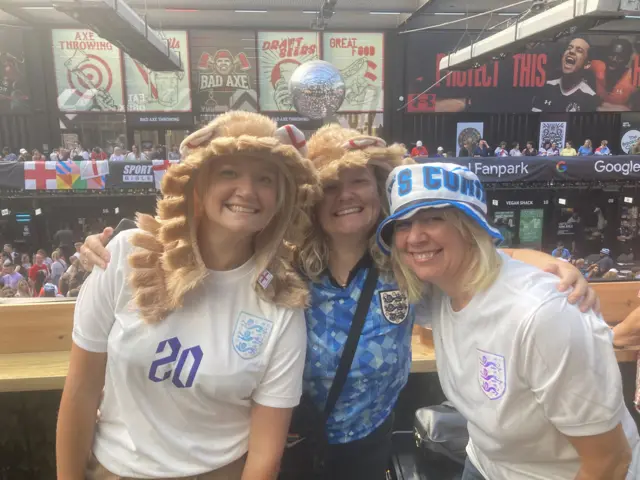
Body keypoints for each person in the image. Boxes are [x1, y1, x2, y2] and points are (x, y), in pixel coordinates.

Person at [79, 127, 598, 480]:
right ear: (309, 197)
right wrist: (121, 240)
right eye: (330, 185)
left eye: (360, 182)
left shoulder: (408, 265)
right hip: (284, 441)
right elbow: (205, 244)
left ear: (379, 193)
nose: (346, 195)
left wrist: (543, 260)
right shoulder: (281, 263)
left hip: (366, 444)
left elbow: (471, 253)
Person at [56, 111, 321, 479]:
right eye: (229, 172)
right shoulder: (126, 255)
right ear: (199, 183)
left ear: (280, 198)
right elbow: (81, 392)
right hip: (115, 470)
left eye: (264, 178)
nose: (247, 190)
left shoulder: (281, 303)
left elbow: (264, 456)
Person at [376, 162, 640, 480]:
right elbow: (504, 256)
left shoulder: (541, 316)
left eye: (434, 218)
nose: (415, 237)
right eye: (403, 224)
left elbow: (610, 461)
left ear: (470, 228)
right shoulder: (442, 288)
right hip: (485, 463)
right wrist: (546, 258)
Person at [532, 37, 600, 112]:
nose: (571, 51)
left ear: (587, 64)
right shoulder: (547, 86)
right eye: (569, 48)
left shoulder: (590, 97)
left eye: (579, 50)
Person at [591, 38, 640, 111]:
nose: (614, 59)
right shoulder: (597, 66)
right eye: (612, 54)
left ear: (627, 59)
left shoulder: (634, 78)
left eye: (620, 57)